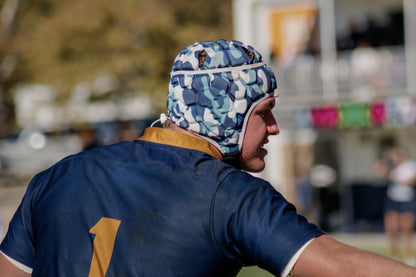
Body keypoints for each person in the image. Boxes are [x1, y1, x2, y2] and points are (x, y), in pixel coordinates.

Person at [0, 39, 415, 277]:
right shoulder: (231, 195)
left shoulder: (59, 175)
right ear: (225, 114)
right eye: (264, 112)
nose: (274, 128)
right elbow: (347, 270)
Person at [382, 146, 416, 265]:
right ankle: (394, 256)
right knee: (392, 229)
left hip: (406, 200)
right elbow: (379, 173)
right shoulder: (392, 167)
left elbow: (410, 182)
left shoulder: (411, 166)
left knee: (407, 229)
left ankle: (409, 257)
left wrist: (395, 177)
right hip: (392, 200)